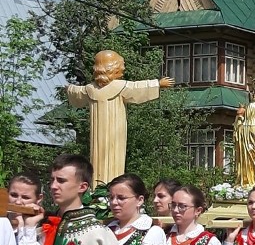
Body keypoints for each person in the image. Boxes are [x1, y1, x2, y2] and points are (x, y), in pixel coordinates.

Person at [66, 50, 174, 185]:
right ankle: (106, 189)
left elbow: (77, 92)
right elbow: (136, 87)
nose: (123, 68)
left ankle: (101, 188)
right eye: (121, 65)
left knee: (104, 157)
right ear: (112, 67)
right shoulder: (118, 86)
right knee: (108, 156)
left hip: (106, 133)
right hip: (112, 131)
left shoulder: (90, 89)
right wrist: (157, 83)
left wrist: (69, 89)